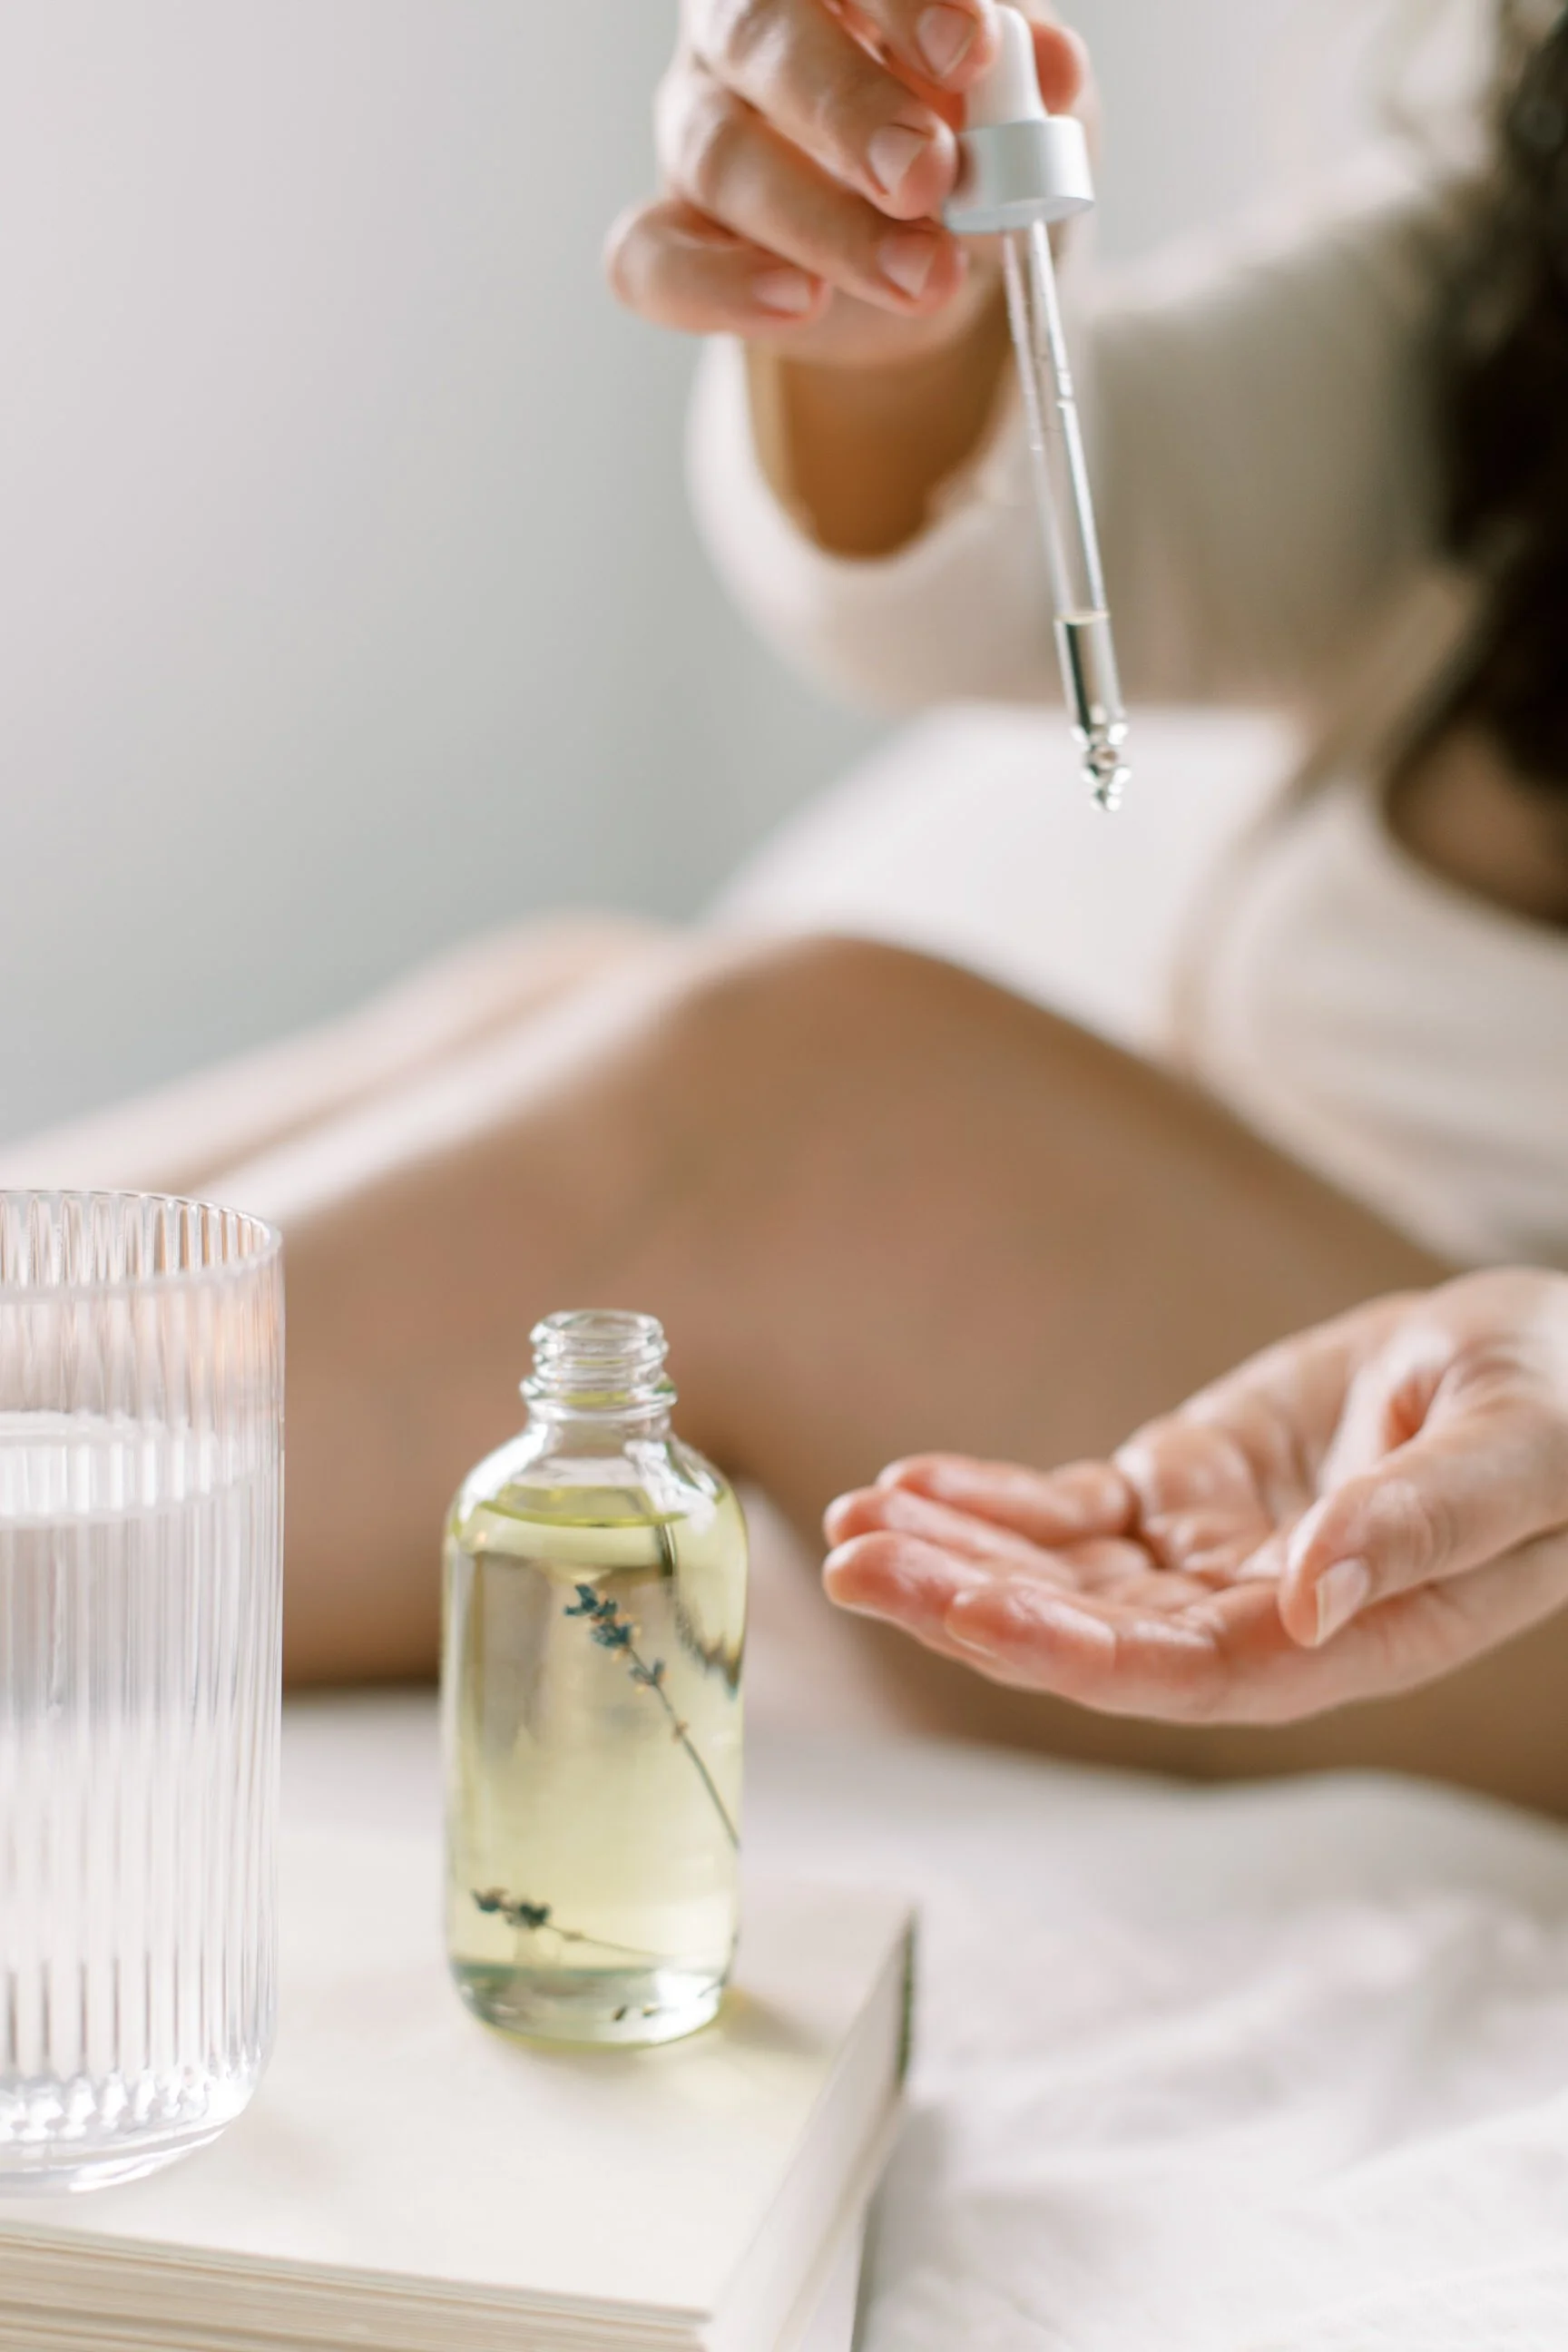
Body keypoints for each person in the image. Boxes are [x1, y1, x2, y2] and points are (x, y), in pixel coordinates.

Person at [8, 2, 1568, 1807]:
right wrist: (894, 303)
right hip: (1396, 1367)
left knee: (790, 1111)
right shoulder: (1509, 249)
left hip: (1505, 1506)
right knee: (562, 1003)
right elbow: (1029, 532)